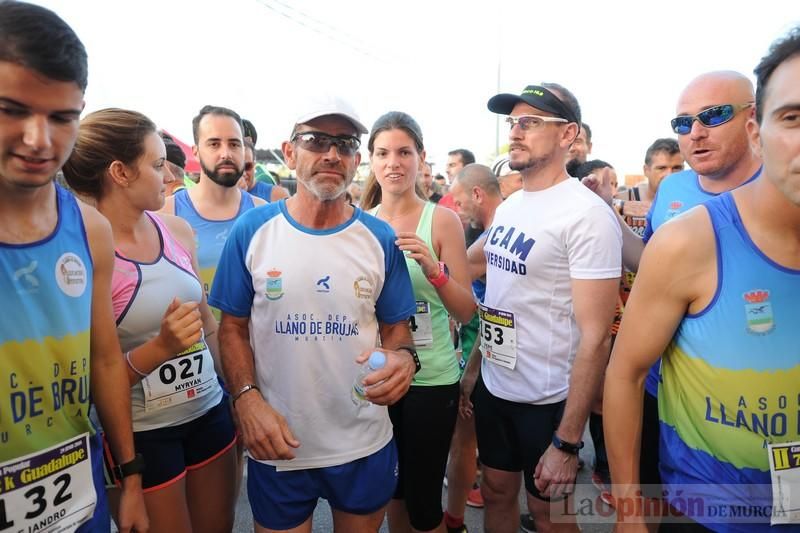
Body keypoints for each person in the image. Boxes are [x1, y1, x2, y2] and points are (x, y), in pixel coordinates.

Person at [605, 27, 800, 531]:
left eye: (713, 116)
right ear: (765, 130)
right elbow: (651, 266)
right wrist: (629, 512)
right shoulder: (679, 206)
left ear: (749, 125)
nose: (695, 131)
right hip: (694, 461)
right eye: (683, 122)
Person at [209, 95, 420, 533]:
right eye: (315, 140)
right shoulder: (252, 230)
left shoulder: (379, 238)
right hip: (280, 440)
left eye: (344, 144)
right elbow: (232, 327)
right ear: (290, 152)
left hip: (363, 441)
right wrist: (246, 397)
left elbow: (397, 331)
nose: (330, 153)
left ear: (356, 159)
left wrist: (403, 360)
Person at [0, 2, 148, 532]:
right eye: (12, 109)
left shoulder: (89, 230)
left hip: (76, 490)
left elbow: (106, 360)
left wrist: (131, 479)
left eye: (62, 117)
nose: (39, 139)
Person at [62, 108, 237, 533]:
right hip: (143, 437)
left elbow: (207, 327)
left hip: (210, 415)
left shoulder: (176, 230)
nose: (168, 176)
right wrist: (158, 350)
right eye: (158, 165)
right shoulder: (81, 254)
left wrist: (237, 399)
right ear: (120, 172)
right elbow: (91, 378)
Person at [470, 83, 621, 533]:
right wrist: (474, 368)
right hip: (496, 387)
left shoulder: (586, 215)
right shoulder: (513, 203)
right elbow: (484, 278)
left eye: (531, 122)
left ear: (567, 134)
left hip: (549, 399)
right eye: (513, 122)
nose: (516, 132)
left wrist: (568, 441)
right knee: (497, 493)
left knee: (549, 516)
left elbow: (598, 335)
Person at [361, 111, 476, 533]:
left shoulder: (441, 220)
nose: (394, 162)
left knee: (425, 498)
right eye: (384, 153)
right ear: (371, 160)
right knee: (391, 489)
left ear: (421, 158)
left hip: (432, 379)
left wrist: (434, 269)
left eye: (404, 152)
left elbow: (466, 312)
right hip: (378, 375)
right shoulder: (360, 222)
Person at [444, 164, 506, 533]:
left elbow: (498, 309)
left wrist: (471, 369)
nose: (457, 205)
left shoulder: (500, 233)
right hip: (488, 348)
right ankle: (456, 517)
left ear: (478, 195)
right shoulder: (496, 230)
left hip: (489, 352)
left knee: (465, 437)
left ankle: (454, 520)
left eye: (461, 198)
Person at [161, 105, 266, 317]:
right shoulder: (166, 212)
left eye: (234, 144)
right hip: (190, 346)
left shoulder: (263, 214)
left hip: (248, 346)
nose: (225, 153)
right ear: (196, 151)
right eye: (214, 144)